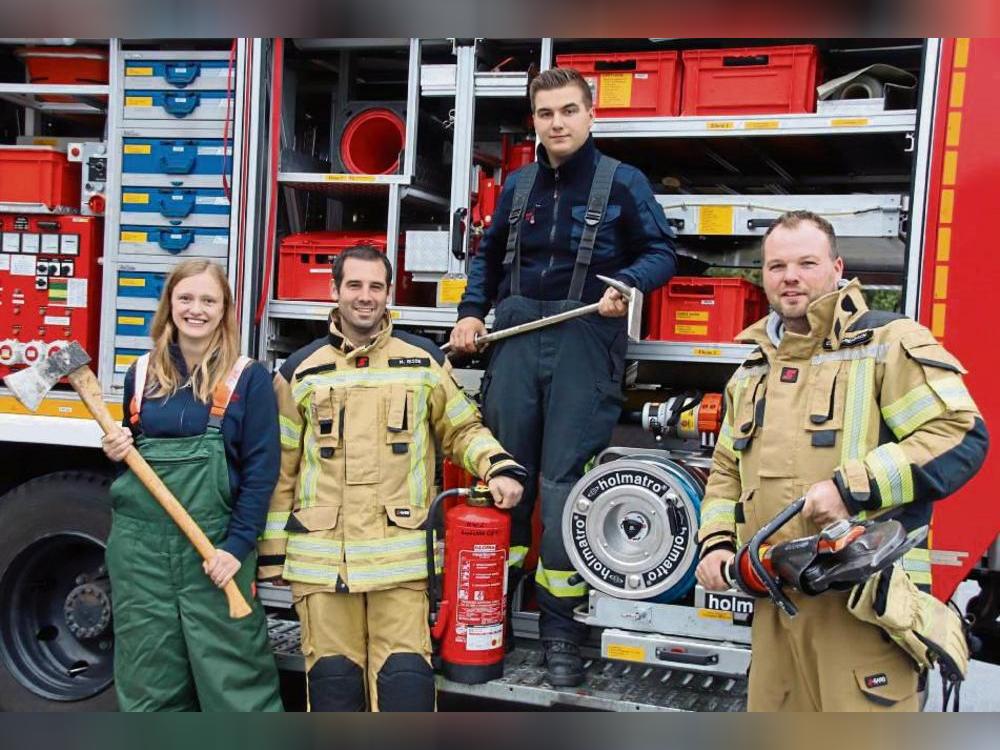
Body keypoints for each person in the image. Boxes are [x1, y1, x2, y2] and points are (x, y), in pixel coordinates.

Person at [695, 210, 988, 711]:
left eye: (807, 263)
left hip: (863, 608)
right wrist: (716, 544)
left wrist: (853, 487)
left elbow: (959, 435)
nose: (790, 276)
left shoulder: (888, 343)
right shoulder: (752, 369)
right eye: (776, 266)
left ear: (837, 267)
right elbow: (725, 469)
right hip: (775, 611)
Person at [448, 67, 677, 686]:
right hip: (515, 342)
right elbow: (487, 258)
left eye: (569, 111)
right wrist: (472, 313)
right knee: (503, 479)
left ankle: (561, 634)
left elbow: (662, 253)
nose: (558, 123)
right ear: (534, 121)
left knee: (565, 488)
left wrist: (627, 286)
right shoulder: (518, 186)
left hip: (584, 341)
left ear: (590, 115)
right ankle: (484, 615)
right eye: (546, 113)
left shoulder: (622, 182)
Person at [258, 244, 526, 712]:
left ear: (389, 294)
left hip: (400, 564)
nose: (366, 297)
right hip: (324, 569)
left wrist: (496, 466)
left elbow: (461, 429)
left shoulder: (422, 361)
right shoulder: (300, 370)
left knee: (405, 688)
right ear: (335, 291)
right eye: (355, 285)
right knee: (333, 687)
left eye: (376, 287)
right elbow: (281, 469)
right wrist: (272, 556)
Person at [101, 259, 283, 712]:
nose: (195, 309)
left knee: (236, 685)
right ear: (169, 305)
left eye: (208, 300)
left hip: (215, 554)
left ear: (224, 311)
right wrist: (118, 446)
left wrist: (236, 547)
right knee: (149, 683)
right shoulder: (140, 374)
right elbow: (132, 467)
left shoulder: (248, 378)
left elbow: (261, 475)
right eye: (185, 298)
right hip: (141, 557)